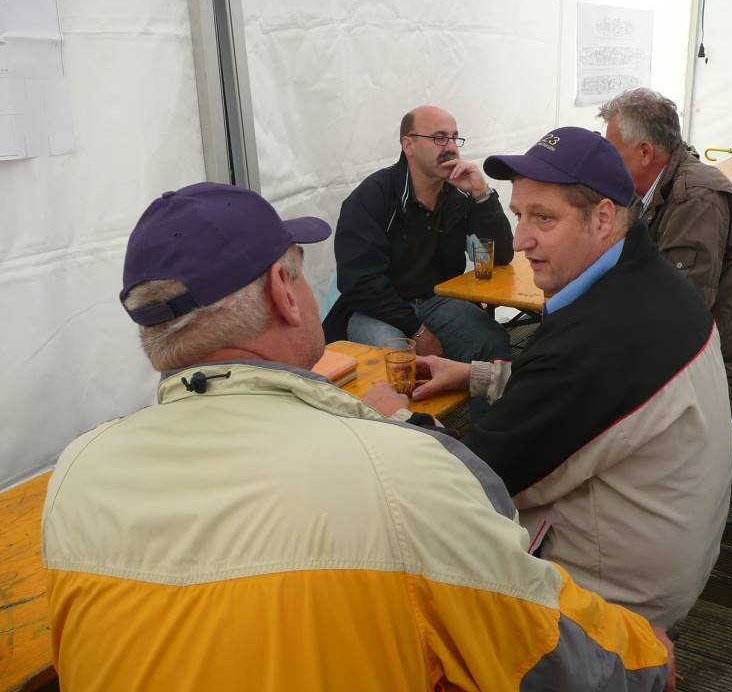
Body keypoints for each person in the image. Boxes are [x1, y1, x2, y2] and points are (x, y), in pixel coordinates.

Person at [41, 182, 674, 691]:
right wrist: (650, 656)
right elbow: (550, 655)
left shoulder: (77, 473)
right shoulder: (398, 477)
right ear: (283, 294)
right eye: (300, 272)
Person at [390, 127, 732, 630]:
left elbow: (472, 480)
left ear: (603, 218)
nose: (520, 240)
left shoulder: (597, 337)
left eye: (544, 218)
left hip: (614, 601)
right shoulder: (652, 281)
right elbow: (574, 396)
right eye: (519, 216)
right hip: (667, 550)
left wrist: (395, 420)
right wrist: (476, 375)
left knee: (403, 558)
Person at [599, 87, 732, 419]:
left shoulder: (698, 198)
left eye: (611, 150)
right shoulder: (647, 190)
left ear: (644, 152)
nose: (605, 161)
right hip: (692, 360)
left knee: (600, 411)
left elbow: (678, 312)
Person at [323, 105, 513, 365]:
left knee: (492, 343)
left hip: (437, 302)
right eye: (439, 138)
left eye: (454, 137)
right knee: (399, 362)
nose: (451, 147)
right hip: (376, 310)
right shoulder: (373, 196)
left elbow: (499, 256)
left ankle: (477, 392)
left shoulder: (459, 195)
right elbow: (360, 282)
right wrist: (418, 330)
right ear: (408, 145)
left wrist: (482, 195)